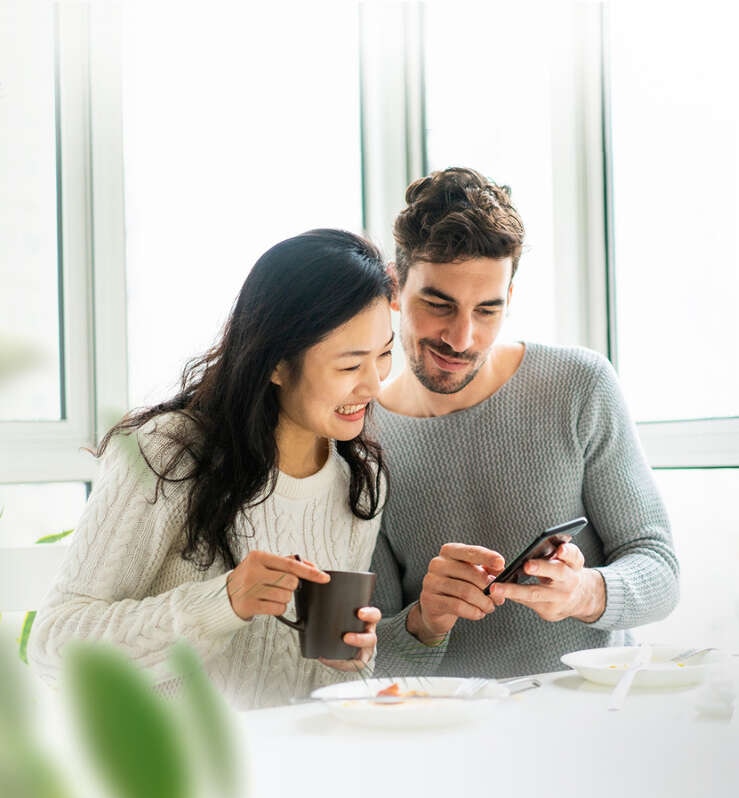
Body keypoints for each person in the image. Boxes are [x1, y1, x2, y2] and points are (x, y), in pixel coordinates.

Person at [28, 229, 395, 708]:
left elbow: (318, 687)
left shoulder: (359, 480)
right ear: (277, 364)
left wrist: (353, 661)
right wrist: (222, 603)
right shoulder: (170, 454)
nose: (374, 384)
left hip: (294, 767)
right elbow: (54, 648)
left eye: (385, 354)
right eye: (350, 366)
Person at [371, 167, 679, 678]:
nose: (462, 337)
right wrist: (424, 621)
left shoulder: (579, 385)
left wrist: (585, 593)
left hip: (590, 711)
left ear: (509, 300)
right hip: (450, 727)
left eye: (487, 310)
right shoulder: (363, 439)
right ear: (395, 290)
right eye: (438, 304)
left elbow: (659, 569)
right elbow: (370, 652)